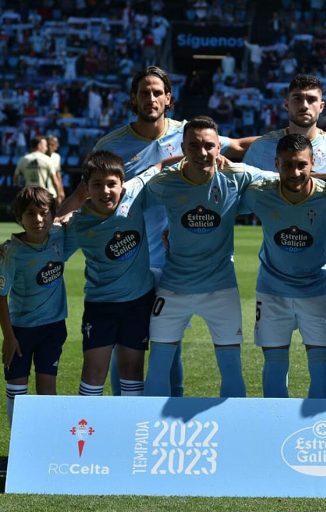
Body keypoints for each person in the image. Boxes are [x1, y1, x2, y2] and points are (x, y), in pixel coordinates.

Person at [60, 66, 255, 398]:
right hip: (133, 261)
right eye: (143, 92)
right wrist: (53, 224)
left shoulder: (190, 136)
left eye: (156, 92)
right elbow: (83, 192)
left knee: (168, 345)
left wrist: (288, 136)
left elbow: (236, 145)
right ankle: (128, 420)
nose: (150, 98)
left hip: (176, 262)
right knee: (126, 349)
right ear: (133, 99)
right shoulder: (112, 144)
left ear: (168, 98)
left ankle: (169, 413)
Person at [243, 74, 326, 399]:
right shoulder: (262, 148)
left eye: (311, 99)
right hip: (279, 270)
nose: (304, 105)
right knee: (276, 361)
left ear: (322, 106)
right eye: (297, 98)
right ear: (286, 103)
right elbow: (242, 185)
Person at [142, 116, 274, 398]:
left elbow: (287, 179)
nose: (202, 152)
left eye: (209, 146)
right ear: (183, 147)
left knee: (231, 368)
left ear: (219, 148)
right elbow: (128, 199)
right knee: (157, 365)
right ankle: (152, 432)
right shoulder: (165, 182)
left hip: (221, 290)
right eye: (194, 146)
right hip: (174, 287)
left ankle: (234, 434)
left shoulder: (237, 175)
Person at [64, 151, 160, 397]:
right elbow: (49, 250)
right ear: (86, 188)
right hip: (101, 306)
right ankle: (86, 430)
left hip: (138, 302)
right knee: (94, 372)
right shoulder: (78, 223)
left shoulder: (135, 195)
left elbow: (159, 165)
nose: (105, 191)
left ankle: (131, 430)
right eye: (97, 184)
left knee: (132, 370)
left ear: (122, 183)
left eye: (111, 184)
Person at [0, 187, 75, 425]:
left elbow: (81, 208)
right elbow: (1, 295)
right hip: (20, 331)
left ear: (53, 215)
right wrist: (9, 337)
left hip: (53, 328)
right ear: (19, 218)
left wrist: (67, 216)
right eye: (30, 214)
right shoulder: (10, 253)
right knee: (16, 390)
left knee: (47, 389)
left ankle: (47, 448)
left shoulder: (58, 235)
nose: (38, 219)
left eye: (44, 213)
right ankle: (17, 453)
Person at [14, 136, 64, 206]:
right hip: (43, 195)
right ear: (39, 145)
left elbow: (16, 178)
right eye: (45, 145)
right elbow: (55, 181)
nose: (46, 148)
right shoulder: (47, 160)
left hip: (29, 195)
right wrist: (59, 195)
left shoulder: (23, 159)